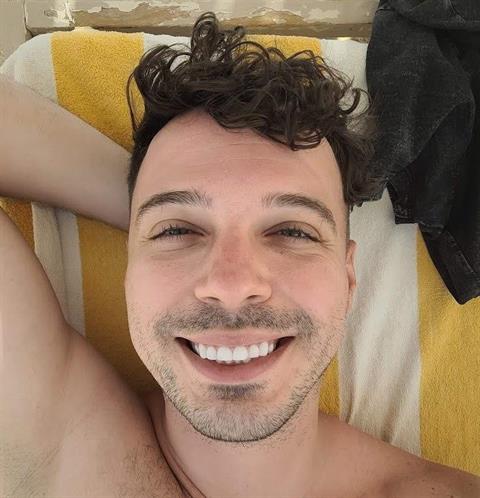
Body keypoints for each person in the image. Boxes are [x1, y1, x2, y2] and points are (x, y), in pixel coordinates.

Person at [1, 11, 479, 498]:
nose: (231, 285)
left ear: (349, 278)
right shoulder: (63, 442)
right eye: (177, 231)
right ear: (130, 271)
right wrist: (142, 206)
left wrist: (163, 219)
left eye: (292, 231)